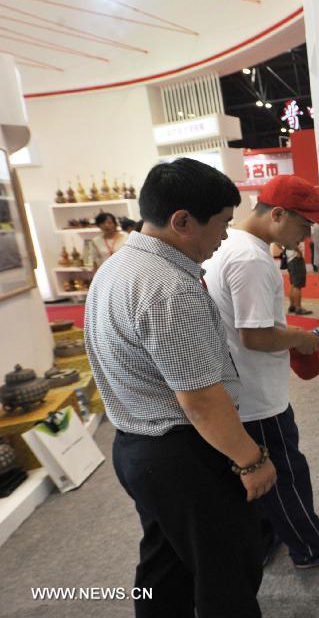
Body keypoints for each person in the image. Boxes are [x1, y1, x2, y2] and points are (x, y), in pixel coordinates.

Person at [83, 158, 276, 618]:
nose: (226, 236)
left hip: (137, 447)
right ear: (182, 221)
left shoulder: (117, 268)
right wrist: (252, 460)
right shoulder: (169, 287)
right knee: (226, 573)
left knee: (166, 566)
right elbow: (201, 401)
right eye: (223, 223)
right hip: (183, 455)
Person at [203, 174, 319, 570]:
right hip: (256, 394)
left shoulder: (233, 247)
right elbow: (255, 336)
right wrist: (298, 338)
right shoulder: (251, 258)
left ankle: (270, 536)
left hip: (242, 387)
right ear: (277, 214)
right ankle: (311, 546)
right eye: (304, 224)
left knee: (263, 475)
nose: (306, 234)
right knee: (286, 473)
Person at [286, 241, 313, 315]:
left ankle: (292, 306)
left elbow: (278, 243)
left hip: (290, 259)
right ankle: (298, 308)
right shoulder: (294, 230)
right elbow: (292, 242)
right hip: (296, 259)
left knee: (293, 284)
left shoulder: (286, 231)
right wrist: (299, 251)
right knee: (297, 285)